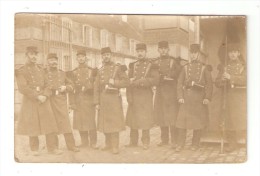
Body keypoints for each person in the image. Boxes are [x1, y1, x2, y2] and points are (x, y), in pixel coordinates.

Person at [15, 46, 61, 155]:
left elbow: (48, 84)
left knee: (49, 123)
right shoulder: (21, 70)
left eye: (35, 54)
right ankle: (34, 149)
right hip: (31, 100)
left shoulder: (41, 69)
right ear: (26, 56)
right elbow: (23, 88)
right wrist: (37, 96)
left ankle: (52, 148)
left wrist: (45, 95)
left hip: (44, 99)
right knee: (33, 125)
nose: (34, 57)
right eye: (31, 54)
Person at [175, 44, 213, 152]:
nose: (193, 55)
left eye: (195, 53)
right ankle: (180, 144)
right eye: (191, 53)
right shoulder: (185, 67)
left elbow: (209, 84)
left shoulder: (204, 68)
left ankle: (195, 144)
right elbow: (179, 83)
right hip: (186, 98)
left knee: (197, 123)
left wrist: (207, 97)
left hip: (199, 98)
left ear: (199, 54)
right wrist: (180, 96)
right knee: (182, 123)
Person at [93, 47, 129, 154]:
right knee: (105, 123)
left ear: (111, 55)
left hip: (114, 99)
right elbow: (96, 87)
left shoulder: (118, 68)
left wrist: (115, 82)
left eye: (107, 55)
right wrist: (96, 102)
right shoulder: (100, 69)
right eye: (104, 55)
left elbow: (126, 82)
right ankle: (108, 144)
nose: (106, 57)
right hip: (103, 99)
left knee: (114, 123)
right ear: (102, 57)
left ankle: (115, 146)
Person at [126, 43, 160, 150]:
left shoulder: (152, 65)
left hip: (145, 96)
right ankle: (133, 141)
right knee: (133, 120)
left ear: (146, 52)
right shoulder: (133, 65)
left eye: (142, 51)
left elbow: (155, 80)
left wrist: (140, 81)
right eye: (138, 51)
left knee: (145, 120)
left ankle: (146, 141)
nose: (140, 53)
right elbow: (128, 81)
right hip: (134, 95)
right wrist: (129, 96)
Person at [44, 53, 79, 152]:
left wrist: (65, 87)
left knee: (66, 124)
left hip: (61, 101)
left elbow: (72, 85)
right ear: (47, 62)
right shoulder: (43, 73)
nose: (54, 62)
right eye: (51, 60)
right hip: (49, 100)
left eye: (55, 60)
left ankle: (71, 146)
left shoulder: (62, 73)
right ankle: (52, 148)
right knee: (51, 124)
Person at [215, 43, 246, 152]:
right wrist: (222, 80)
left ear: (238, 53)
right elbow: (217, 82)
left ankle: (249, 142)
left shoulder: (244, 66)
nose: (232, 54)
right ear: (228, 54)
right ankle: (232, 144)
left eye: (235, 52)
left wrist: (231, 77)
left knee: (242, 119)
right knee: (229, 121)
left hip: (240, 97)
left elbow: (247, 79)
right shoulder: (224, 67)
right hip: (227, 97)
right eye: (230, 52)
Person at [153, 41, 182, 148]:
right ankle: (164, 140)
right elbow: (153, 76)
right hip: (160, 92)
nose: (163, 50)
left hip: (171, 92)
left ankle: (174, 140)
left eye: (165, 48)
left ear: (168, 50)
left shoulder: (173, 61)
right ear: (158, 50)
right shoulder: (155, 62)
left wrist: (170, 75)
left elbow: (179, 73)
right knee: (161, 116)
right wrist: (161, 78)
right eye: (161, 49)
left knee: (172, 116)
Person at [68, 50, 98, 149]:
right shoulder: (73, 72)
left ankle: (93, 142)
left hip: (89, 99)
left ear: (86, 58)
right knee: (80, 122)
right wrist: (72, 103)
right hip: (78, 99)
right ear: (76, 59)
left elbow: (96, 86)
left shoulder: (92, 71)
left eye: (82, 57)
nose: (81, 58)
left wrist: (96, 100)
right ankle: (84, 142)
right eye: (79, 57)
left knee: (91, 122)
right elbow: (71, 89)